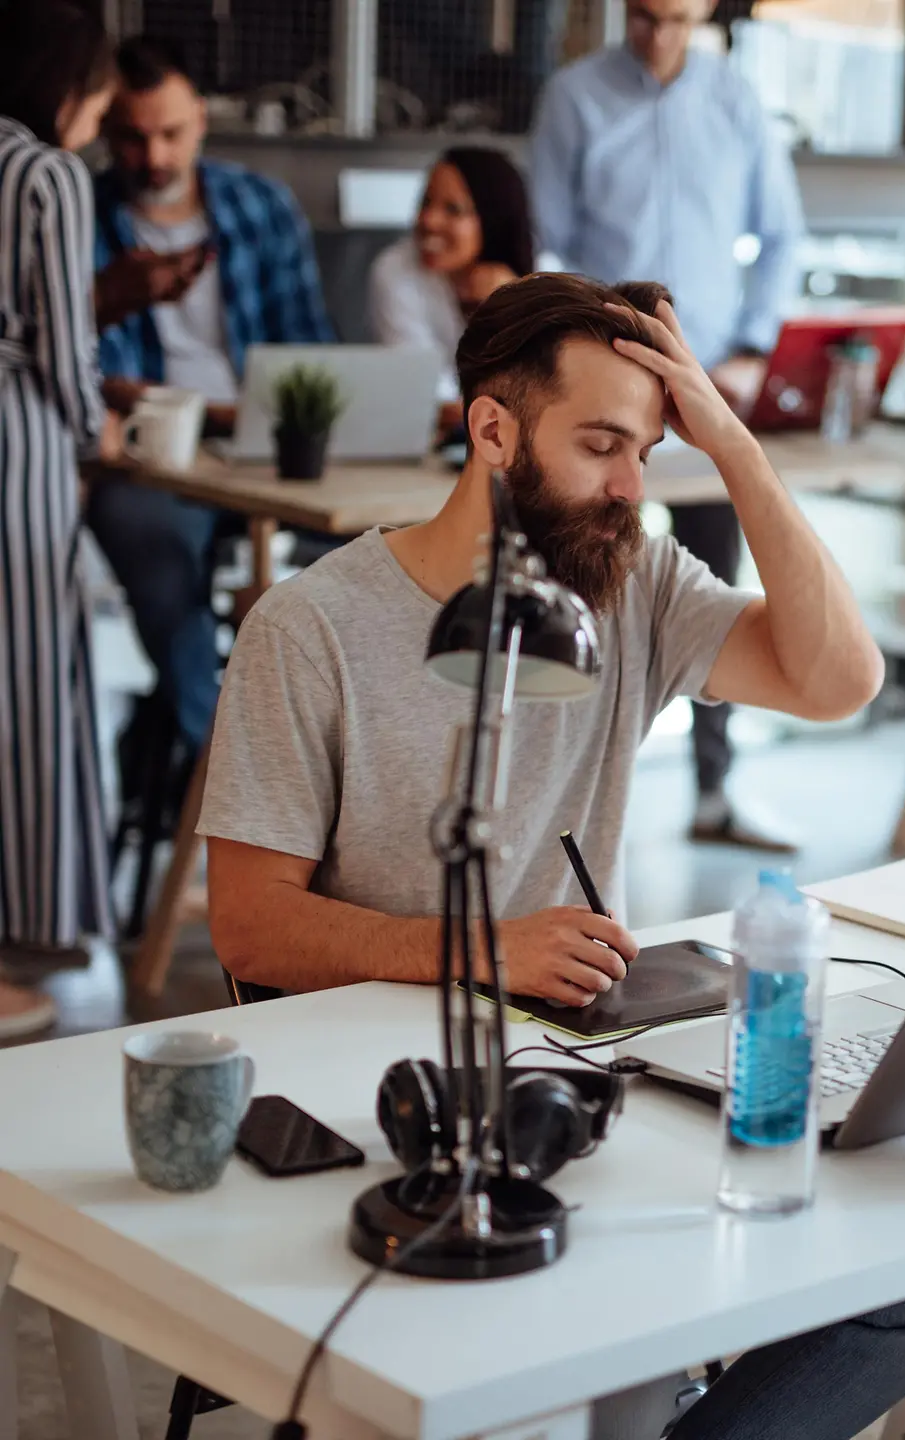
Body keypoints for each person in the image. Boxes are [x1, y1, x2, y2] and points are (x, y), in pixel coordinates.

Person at [196, 269, 905, 1438]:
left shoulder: (630, 586)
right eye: (602, 445)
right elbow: (249, 924)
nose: (631, 486)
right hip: (398, 1100)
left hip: (584, 1080)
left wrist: (734, 448)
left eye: (650, 452)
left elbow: (840, 681)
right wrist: (480, 952)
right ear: (493, 429)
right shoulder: (309, 628)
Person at [530, 0, 806, 851]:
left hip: (704, 386)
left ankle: (714, 793)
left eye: (677, 18)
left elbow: (783, 237)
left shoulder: (737, 102)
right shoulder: (574, 96)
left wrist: (754, 350)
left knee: (712, 587)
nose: (658, 35)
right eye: (645, 16)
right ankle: (548, 801)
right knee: (577, 568)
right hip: (599, 396)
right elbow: (545, 240)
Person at [85, 34, 334, 761]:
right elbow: (96, 375)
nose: (154, 156)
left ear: (200, 115)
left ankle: (341, 755)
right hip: (153, 457)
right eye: (132, 138)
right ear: (104, 128)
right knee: (152, 543)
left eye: (170, 133)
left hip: (264, 443)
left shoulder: (261, 207)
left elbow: (311, 352)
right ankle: (228, 759)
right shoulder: (81, 218)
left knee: (379, 547)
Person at [0, 1, 118, 1034]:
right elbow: (60, 341)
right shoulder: (45, 174)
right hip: (15, 442)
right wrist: (98, 433)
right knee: (29, 675)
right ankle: (26, 932)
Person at [369, 146, 535, 432]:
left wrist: (509, 312)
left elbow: (551, 388)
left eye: (452, 209)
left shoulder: (544, 276)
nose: (428, 221)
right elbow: (424, 390)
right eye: (426, 203)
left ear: (493, 218)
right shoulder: (395, 270)